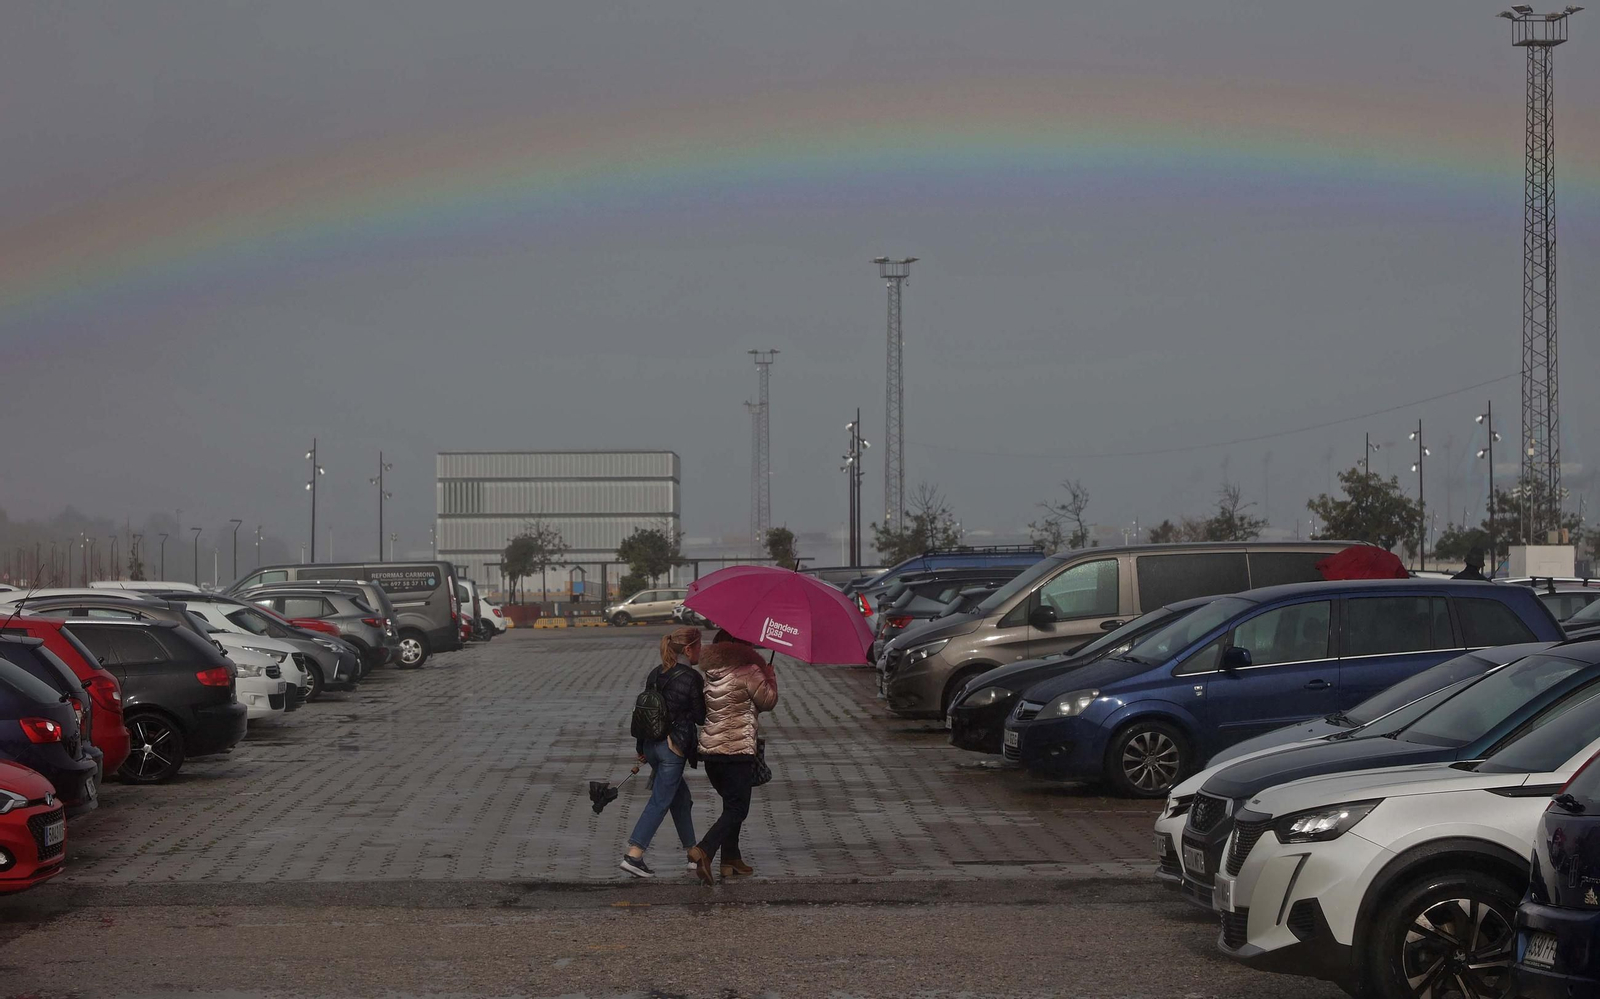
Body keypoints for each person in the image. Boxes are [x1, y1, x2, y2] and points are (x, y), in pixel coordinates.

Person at [687, 630, 777, 885]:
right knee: (738, 808)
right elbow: (768, 701)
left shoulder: (711, 673)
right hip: (737, 753)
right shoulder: (750, 671)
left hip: (711, 753)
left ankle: (730, 859)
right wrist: (769, 676)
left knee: (731, 805)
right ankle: (704, 849)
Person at [620, 626, 705, 878]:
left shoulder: (655, 674)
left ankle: (693, 853)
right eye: (699, 646)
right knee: (660, 801)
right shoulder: (692, 678)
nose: (701, 651)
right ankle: (634, 854)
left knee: (681, 799)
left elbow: (645, 714)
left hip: (651, 746)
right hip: (672, 748)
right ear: (688, 649)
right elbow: (701, 717)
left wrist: (641, 749)